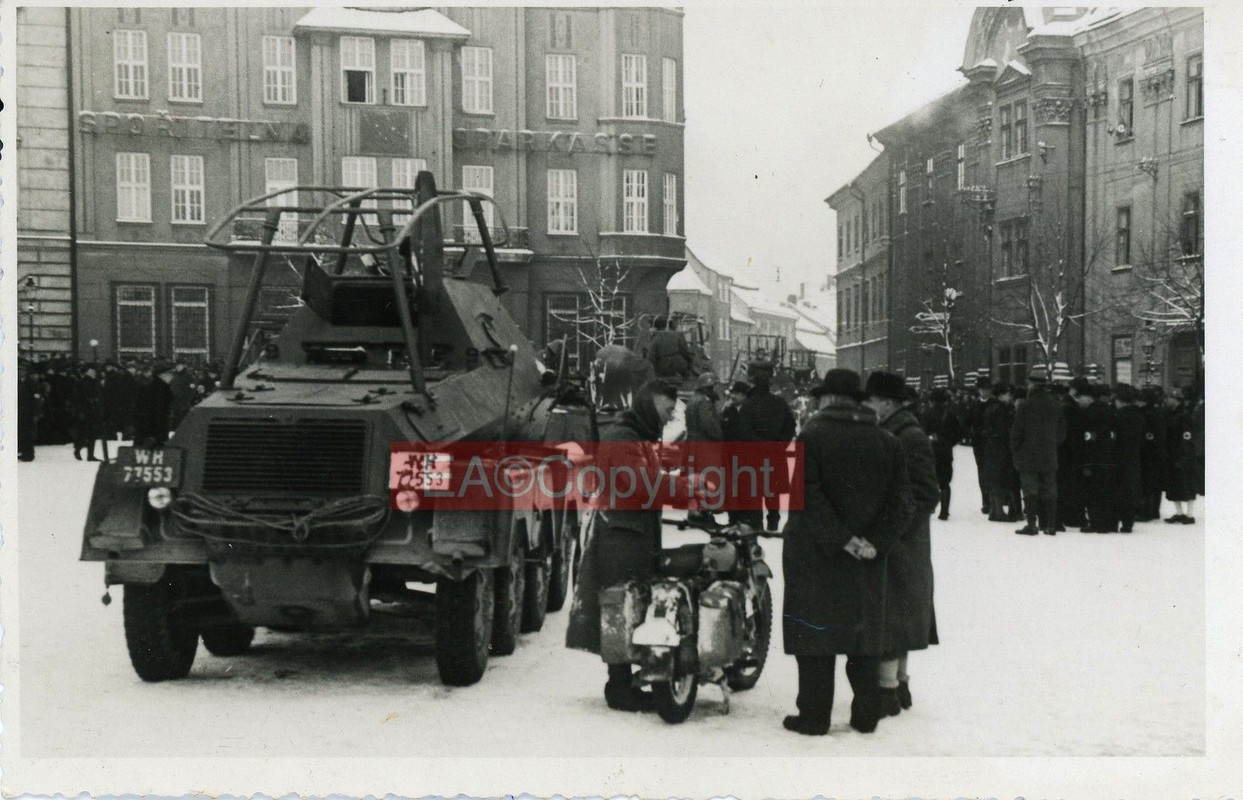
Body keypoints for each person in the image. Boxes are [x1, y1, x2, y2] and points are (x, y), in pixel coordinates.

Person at [781, 368, 913, 736]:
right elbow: (903, 503)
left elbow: (805, 496)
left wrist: (843, 538)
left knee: (815, 638)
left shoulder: (811, 436)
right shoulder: (888, 441)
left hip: (816, 556)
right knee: (863, 638)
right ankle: (866, 714)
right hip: (867, 561)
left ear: (826, 399)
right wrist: (874, 541)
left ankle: (814, 716)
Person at [566, 379, 681, 712]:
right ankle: (618, 687)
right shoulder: (622, 436)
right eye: (667, 408)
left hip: (633, 534)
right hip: (620, 536)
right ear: (649, 402)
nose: (669, 416)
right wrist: (682, 485)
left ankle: (624, 681)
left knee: (632, 607)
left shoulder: (637, 435)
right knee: (618, 606)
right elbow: (638, 484)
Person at [862, 372, 939, 718]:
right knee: (899, 617)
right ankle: (899, 685)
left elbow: (925, 493)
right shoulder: (898, 431)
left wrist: (892, 523)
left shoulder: (908, 436)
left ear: (889, 402)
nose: (868, 406)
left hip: (902, 541)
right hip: (901, 538)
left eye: (873, 400)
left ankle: (889, 691)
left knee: (892, 618)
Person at [739, 363, 797, 532]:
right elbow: (790, 426)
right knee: (773, 492)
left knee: (755, 494)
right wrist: (780, 445)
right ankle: (773, 524)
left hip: (754, 457)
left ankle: (757, 526)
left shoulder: (748, 405)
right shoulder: (779, 402)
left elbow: (744, 430)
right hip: (775, 455)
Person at [1010, 366, 1065, 536]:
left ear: (1032, 384)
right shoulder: (1055, 404)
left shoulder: (1025, 405)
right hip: (1049, 454)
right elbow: (1062, 431)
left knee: (1030, 490)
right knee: (1050, 489)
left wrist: (1016, 450)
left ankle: (1032, 524)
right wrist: (1053, 444)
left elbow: (1016, 432)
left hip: (1029, 455)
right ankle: (1050, 525)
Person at [682, 372, 723, 525]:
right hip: (705, 446)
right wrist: (720, 434)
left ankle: (694, 511)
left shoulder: (693, 400)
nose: (713, 390)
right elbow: (709, 425)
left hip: (692, 443)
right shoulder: (704, 402)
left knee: (694, 478)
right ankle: (703, 513)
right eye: (712, 387)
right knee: (707, 478)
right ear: (708, 387)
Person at [1080, 384, 1118, 532]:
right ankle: (1111, 523)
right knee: (1108, 491)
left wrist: (1086, 462)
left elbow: (1087, 438)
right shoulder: (1111, 411)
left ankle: (1097, 523)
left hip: (1094, 457)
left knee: (1094, 492)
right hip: (1109, 456)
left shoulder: (1089, 412)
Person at [921, 388, 961, 520]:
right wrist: (949, 443)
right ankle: (944, 511)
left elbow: (922, 433)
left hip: (930, 451)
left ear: (931, 401)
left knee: (930, 480)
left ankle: (931, 506)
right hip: (946, 452)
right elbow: (959, 433)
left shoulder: (926, 414)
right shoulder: (951, 414)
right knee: (945, 483)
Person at [1112, 384, 1146, 533]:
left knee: (1119, 488)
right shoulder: (1139, 416)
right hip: (1134, 456)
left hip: (1118, 456)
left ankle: (1119, 518)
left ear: (1120, 400)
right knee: (1131, 488)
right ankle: (1128, 522)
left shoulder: (1118, 417)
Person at [1163, 387, 1199, 524]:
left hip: (1182, 455)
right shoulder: (1173, 413)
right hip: (1173, 454)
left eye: (1169, 398)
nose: (1167, 400)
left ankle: (1189, 515)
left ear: (1176, 399)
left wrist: (1182, 455)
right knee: (1174, 484)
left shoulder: (1184, 415)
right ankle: (1179, 513)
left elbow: (1187, 437)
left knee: (1187, 484)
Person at [1057, 378, 1089, 530]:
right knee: (1072, 484)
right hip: (1070, 452)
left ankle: (1070, 515)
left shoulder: (1067, 404)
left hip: (1067, 452)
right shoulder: (1069, 406)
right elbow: (1072, 432)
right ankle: (1073, 516)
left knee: (1069, 484)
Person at [981, 383, 1016, 521]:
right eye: (1007, 395)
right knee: (1001, 479)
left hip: (991, 447)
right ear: (1001, 395)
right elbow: (1004, 431)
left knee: (994, 479)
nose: (1010, 397)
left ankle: (994, 510)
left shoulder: (990, 407)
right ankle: (999, 511)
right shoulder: (1002, 409)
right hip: (1001, 448)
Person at [1137, 386, 1167, 522]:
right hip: (1158, 451)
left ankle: (1145, 511)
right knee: (1155, 483)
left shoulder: (1143, 413)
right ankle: (1155, 510)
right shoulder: (1159, 412)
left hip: (1146, 451)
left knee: (1146, 482)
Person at [134, 362, 174, 447]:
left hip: (154, 429)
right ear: (161, 375)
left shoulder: (162, 387)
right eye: (169, 373)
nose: (171, 376)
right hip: (153, 430)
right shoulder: (158, 389)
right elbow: (156, 411)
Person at [968, 378, 993, 514]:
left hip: (992, 443)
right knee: (982, 472)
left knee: (992, 471)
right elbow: (967, 421)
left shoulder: (994, 403)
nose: (985, 392)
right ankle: (986, 501)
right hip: (979, 444)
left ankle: (995, 500)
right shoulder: (974, 405)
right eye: (983, 389)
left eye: (987, 389)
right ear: (979, 390)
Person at [646, 316, 693, 382]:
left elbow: (650, 358)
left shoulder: (655, 339)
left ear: (655, 327)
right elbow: (685, 351)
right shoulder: (677, 334)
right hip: (679, 365)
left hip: (663, 368)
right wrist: (689, 362)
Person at [18, 360, 42, 462]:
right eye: (19, 370)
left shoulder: (32, 383)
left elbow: (37, 399)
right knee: (20, 433)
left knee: (28, 434)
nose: (20, 372)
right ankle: (23, 452)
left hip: (29, 412)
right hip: (19, 412)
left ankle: (29, 454)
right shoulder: (16, 382)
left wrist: (36, 413)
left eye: (22, 370)